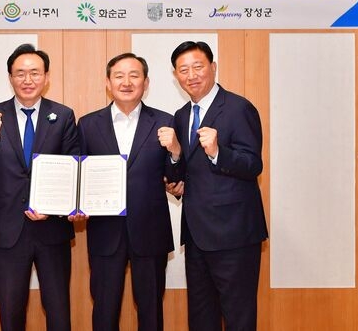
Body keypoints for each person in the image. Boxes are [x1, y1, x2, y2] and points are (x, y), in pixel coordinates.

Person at [0, 43, 79, 331]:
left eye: (34, 72)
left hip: (52, 228)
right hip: (7, 228)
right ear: (10, 77)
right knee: (10, 312)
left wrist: (55, 209)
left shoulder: (63, 115)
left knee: (58, 311)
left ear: (46, 77)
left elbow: (72, 168)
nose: (27, 80)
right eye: (20, 73)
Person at [164, 40, 268, 331]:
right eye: (183, 70)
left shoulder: (238, 108)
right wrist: (176, 163)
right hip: (197, 235)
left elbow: (253, 165)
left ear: (213, 67)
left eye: (198, 67)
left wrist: (218, 152)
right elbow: (187, 171)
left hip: (234, 235)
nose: (191, 75)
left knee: (238, 317)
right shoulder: (182, 115)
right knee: (201, 317)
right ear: (176, 75)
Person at [77, 52, 181, 331]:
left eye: (134, 76)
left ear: (146, 83)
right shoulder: (87, 124)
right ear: (108, 82)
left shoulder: (166, 122)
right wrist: (76, 205)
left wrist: (175, 151)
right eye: (119, 76)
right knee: (104, 310)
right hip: (104, 232)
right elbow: (79, 176)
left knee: (151, 311)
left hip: (150, 231)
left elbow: (176, 180)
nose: (126, 82)